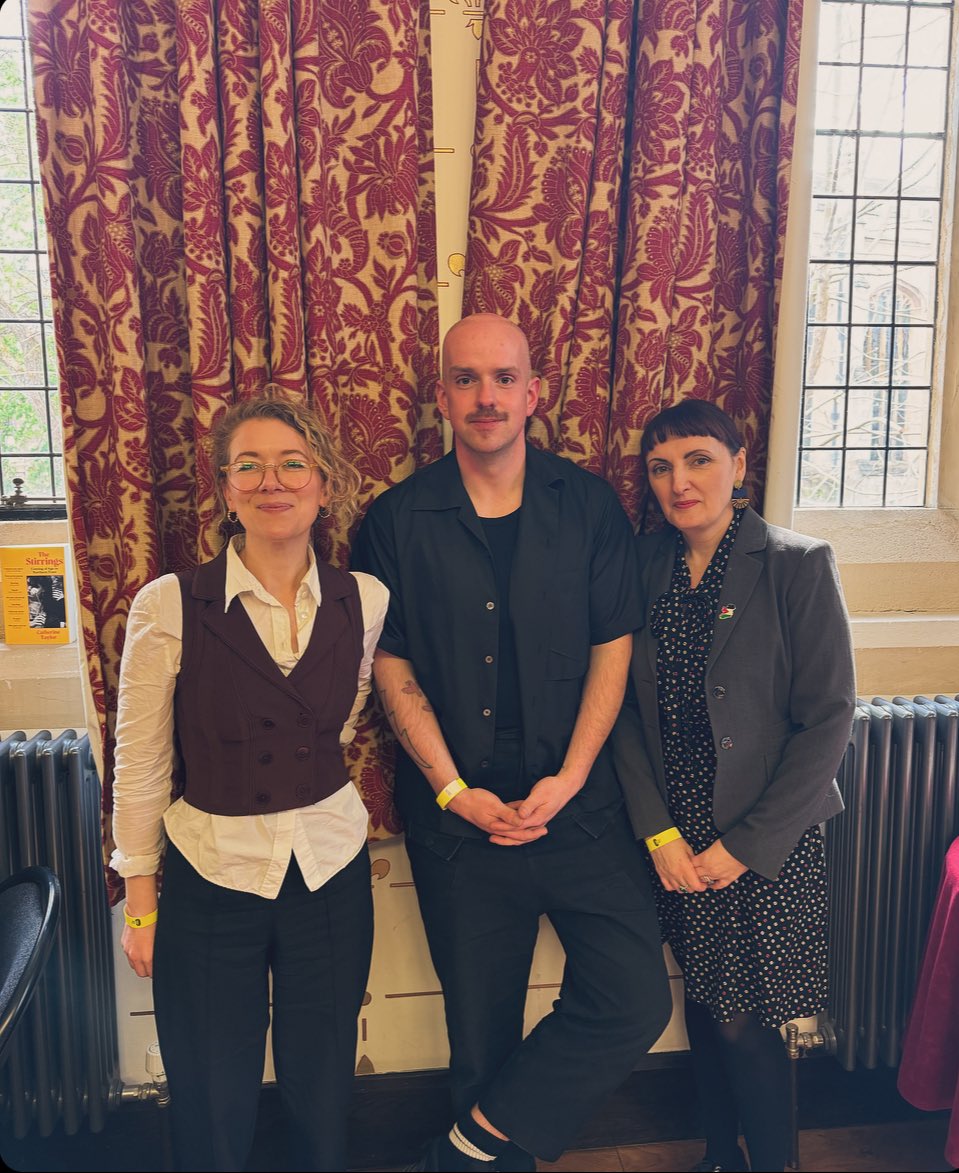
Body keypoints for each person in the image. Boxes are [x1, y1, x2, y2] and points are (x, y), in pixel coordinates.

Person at [352, 313, 671, 1172]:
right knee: (479, 1036)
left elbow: (614, 645)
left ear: (532, 394)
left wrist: (570, 776)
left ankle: (461, 1152)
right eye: (465, 379)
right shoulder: (393, 518)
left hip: (581, 810)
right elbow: (392, 666)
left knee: (633, 995)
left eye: (502, 378)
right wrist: (455, 790)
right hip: (459, 824)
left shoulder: (590, 504)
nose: (485, 396)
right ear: (443, 396)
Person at [111, 391, 388, 1172]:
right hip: (210, 873)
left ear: (323, 484)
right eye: (250, 466)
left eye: (293, 463)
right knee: (209, 1091)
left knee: (323, 1080)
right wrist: (139, 900)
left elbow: (338, 720)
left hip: (329, 871)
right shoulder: (168, 604)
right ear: (226, 489)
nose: (274, 480)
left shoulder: (364, 599)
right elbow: (141, 761)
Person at [612, 400, 855, 1173]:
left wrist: (743, 848)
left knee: (750, 1019)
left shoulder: (795, 562)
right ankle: (719, 1153)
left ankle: (776, 1161)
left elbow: (827, 718)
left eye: (697, 460)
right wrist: (659, 832)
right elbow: (617, 709)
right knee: (706, 1004)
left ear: (738, 464)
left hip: (765, 840)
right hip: (673, 841)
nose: (678, 481)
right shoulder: (640, 567)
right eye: (660, 466)